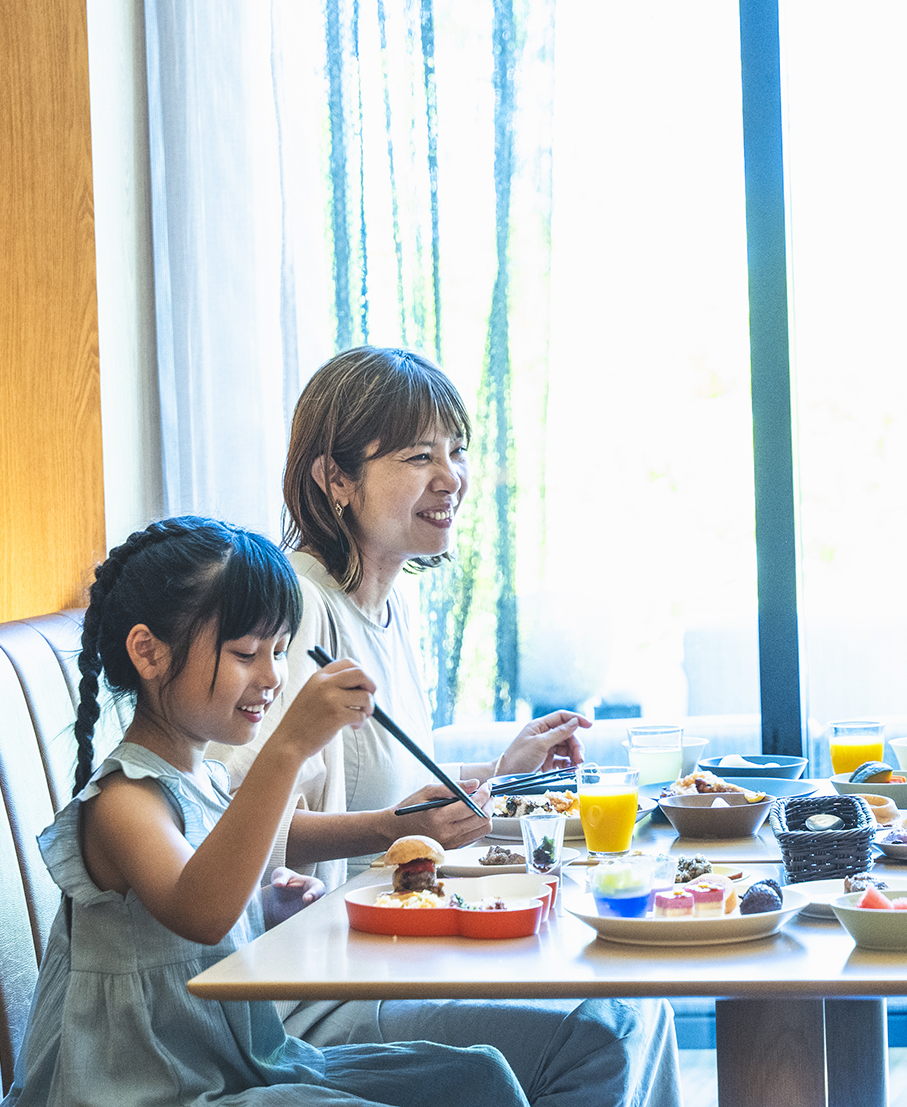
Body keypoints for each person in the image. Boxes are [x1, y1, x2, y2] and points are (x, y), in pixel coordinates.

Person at [213, 346, 681, 1106]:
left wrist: (503, 773)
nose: (451, 477)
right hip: (307, 993)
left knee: (637, 1004)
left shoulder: (385, 611)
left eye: (457, 452)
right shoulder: (298, 611)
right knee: (605, 1032)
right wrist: (397, 829)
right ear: (334, 477)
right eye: (418, 454)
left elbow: (389, 792)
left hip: (378, 953)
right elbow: (248, 826)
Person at [4, 515, 533, 1106]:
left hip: (243, 1066)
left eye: (279, 651)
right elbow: (199, 912)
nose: (273, 677)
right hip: (151, 1091)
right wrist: (289, 747)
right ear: (148, 653)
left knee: (479, 1076)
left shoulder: (200, 779)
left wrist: (261, 905)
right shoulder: (122, 802)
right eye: (246, 652)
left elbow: (191, 916)